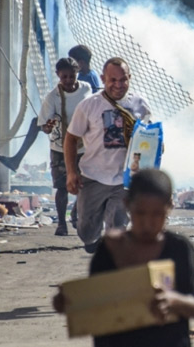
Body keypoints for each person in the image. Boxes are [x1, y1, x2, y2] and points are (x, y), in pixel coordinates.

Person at [53, 169, 194, 347]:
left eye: (157, 214)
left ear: (169, 207)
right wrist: (68, 302)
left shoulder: (178, 248)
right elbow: (93, 301)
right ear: (127, 205)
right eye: (140, 213)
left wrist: (173, 300)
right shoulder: (109, 248)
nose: (148, 223)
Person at [64, 57, 152, 253]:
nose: (118, 85)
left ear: (129, 78)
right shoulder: (89, 106)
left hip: (125, 180)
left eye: (123, 80)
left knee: (117, 228)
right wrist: (71, 173)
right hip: (93, 177)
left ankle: (112, 262)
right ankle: (91, 239)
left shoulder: (139, 104)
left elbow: (148, 138)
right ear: (103, 79)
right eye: (113, 80)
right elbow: (70, 139)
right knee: (86, 230)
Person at [37, 57, 92, 235]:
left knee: (86, 183)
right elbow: (44, 127)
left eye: (72, 76)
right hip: (60, 147)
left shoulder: (87, 89)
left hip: (84, 146)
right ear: (58, 76)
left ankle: (75, 213)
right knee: (62, 186)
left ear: (77, 74)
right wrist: (49, 126)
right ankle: (62, 224)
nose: (68, 81)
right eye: (64, 77)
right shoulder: (52, 97)